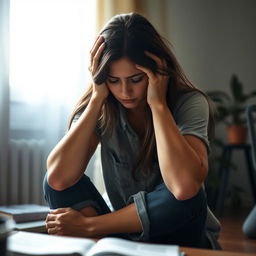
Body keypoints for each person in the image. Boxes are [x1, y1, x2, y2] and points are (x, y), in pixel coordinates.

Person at [43, 13, 221, 249]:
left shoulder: (189, 102)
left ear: (157, 71)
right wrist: (97, 98)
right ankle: (107, 245)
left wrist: (157, 105)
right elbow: (58, 177)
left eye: (136, 79)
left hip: (179, 232)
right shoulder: (101, 105)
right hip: (123, 233)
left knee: (187, 193)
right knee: (54, 181)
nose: (125, 91)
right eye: (114, 80)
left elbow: (185, 185)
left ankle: (93, 230)